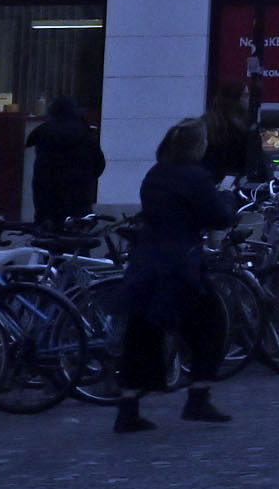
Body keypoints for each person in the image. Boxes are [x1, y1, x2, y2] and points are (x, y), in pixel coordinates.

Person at [110, 118, 235, 432]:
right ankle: (198, 396)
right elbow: (218, 217)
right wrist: (227, 199)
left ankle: (128, 406)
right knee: (210, 327)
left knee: (141, 334)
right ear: (197, 146)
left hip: (147, 261)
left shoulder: (156, 174)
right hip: (181, 265)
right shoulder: (196, 177)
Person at [30, 92, 106, 226]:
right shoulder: (85, 133)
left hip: (50, 201)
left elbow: (41, 172)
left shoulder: (45, 133)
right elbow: (99, 164)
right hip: (80, 199)